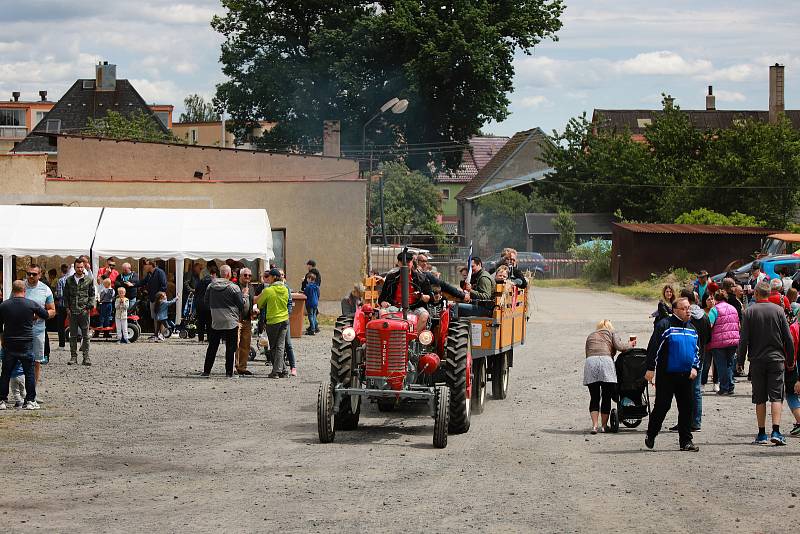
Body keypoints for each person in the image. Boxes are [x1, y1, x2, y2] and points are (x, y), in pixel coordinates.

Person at [736, 282, 796, 446]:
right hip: (776, 359)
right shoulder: (778, 311)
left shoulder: (749, 312)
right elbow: (788, 338)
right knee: (776, 396)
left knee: (760, 397)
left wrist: (740, 361)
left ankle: (761, 433)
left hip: (756, 360)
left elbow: (744, 340)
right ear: (769, 294)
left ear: (755, 293)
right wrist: (791, 359)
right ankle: (776, 431)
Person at [644, 297, 701, 452]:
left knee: (687, 407)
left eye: (689, 308)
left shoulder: (692, 328)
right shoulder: (665, 325)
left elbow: (697, 351)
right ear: (675, 310)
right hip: (666, 375)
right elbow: (653, 347)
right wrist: (650, 368)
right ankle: (651, 433)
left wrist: (695, 367)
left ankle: (686, 442)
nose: (688, 311)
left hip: (686, 375)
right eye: (684, 308)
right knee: (662, 406)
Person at [0, 280, 50, 411]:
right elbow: (45, 315)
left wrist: (2, 338)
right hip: (26, 343)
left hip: (9, 342)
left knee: (5, 372)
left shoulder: (4, 305)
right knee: (29, 372)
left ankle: (2, 400)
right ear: (24, 291)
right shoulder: (31, 303)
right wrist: (33, 317)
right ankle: (30, 400)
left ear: (12, 290)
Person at [584, 319, 632, 434]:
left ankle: (594, 426)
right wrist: (630, 345)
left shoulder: (591, 335)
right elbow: (621, 347)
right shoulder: (611, 333)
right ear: (610, 327)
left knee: (594, 397)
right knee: (606, 396)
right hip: (605, 362)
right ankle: (604, 426)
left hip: (590, 363)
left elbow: (587, 353)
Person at [202, 265, 243, 378]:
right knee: (230, 347)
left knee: (212, 347)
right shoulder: (234, 287)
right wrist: (244, 296)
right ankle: (229, 372)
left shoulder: (211, 286)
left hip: (216, 320)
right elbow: (240, 304)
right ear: (229, 275)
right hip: (231, 321)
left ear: (220, 274)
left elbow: (206, 301)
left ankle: (206, 371)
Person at [378, 251, 432, 332]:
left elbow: (430, 297)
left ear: (412, 262)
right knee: (382, 312)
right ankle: (390, 338)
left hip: (415, 308)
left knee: (424, 315)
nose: (405, 264)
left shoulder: (421, 278)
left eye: (408, 261)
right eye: (403, 262)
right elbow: (382, 298)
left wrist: (421, 296)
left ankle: (414, 336)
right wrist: (383, 303)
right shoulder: (391, 278)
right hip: (395, 307)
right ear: (399, 263)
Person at [24, 265, 55, 391]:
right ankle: (20, 391)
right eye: (29, 273)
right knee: (20, 360)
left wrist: (40, 315)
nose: (31, 276)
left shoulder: (45, 289)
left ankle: (32, 392)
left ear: (40, 275)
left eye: (34, 274)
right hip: (21, 331)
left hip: (38, 331)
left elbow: (52, 310)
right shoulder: (20, 287)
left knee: (36, 361)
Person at [255, 268, 290, 378]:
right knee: (280, 346)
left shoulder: (268, 290)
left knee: (274, 347)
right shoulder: (285, 289)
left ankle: (276, 371)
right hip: (284, 320)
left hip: (273, 321)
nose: (267, 279)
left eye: (268, 277)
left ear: (274, 277)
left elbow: (259, 304)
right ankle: (284, 371)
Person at [63, 258, 96, 366]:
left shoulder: (89, 280)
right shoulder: (69, 280)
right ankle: (73, 357)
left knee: (86, 335)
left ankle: (86, 357)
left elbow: (92, 295)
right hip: (72, 312)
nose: (80, 269)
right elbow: (66, 296)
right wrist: (67, 308)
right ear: (75, 267)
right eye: (78, 267)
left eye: (82, 267)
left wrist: (89, 307)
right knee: (72, 336)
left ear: (84, 267)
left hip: (84, 311)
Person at [707, 289, 740, 396]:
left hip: (718, 342)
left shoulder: (714, 310)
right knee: (729, 364)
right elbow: (738, 325)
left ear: (716, 299)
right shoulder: (733, 308)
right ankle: (730, 387)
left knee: (721, 365)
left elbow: (710, 325)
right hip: (733, 341)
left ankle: (724, 387)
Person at [138, 260, 167, 341]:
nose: (144, 266)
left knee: (160, 317)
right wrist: (133, 284)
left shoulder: (160, 272)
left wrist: (159, 296)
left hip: (159, 299)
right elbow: (143, 282)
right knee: (155, 317)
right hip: (152, 298)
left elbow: (164, 285)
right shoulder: (149, 274)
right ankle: (156, 334)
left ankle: (161, 335)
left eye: (145, 265)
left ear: (150, 265)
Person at [278, 269, 298, 377]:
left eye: (282, 274)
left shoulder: (286, 288)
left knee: (288, 344)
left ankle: (293, 367)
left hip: (284, 318)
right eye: (279, 274)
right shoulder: (272, 287)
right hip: (275, 319)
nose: (281, 276)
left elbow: (290, 302)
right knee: (277, 345)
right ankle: (280, 367)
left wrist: (288, 313)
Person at [235, 268, 255, 376]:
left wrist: (254, 310)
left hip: (247, 319)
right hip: (236, 319)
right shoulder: (235, 287)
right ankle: (234, 366)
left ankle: (242, 367)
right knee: (236, 344)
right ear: (240, 276)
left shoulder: (251, 287)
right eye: (245, 275)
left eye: (249, 275)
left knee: (246, 345)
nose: (247, 277)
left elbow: (252, 301)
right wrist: (242, 295)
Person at [194, 263, 217, 343]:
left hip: (199, 304)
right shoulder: (213, 283)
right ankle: (209, 338)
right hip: (209, 304)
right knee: (209, 322)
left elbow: (196, 292)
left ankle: (200, 339)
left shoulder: (200, 282)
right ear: (213, 274)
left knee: (200, 322)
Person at [54, 264, 69, 348]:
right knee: (75, 324)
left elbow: (59, 294)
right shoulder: (73, 279)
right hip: (72, 305)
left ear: (61, 270)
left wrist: (56, 294)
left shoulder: (61, 280)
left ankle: (61, 345)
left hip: (62, 305)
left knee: (60, 325)